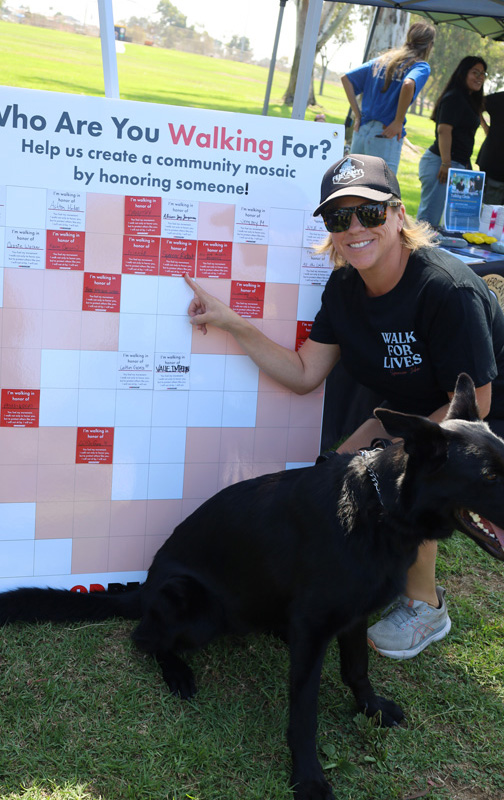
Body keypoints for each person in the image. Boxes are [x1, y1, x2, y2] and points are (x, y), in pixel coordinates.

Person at [184, 154, 504, 660]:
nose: (355, 228)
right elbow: (305, 373)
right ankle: (359, 573)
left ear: (399, 214)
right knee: (336, 473)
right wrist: (233, 323)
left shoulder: (446, 289)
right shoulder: (344, 287)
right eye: (339, 218)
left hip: (482, 415)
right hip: (415, 404)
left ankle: (426, 606)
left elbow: (475, 403)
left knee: (406, 481)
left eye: (370, 213)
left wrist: (401, 453)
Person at [341, 21, 435, 175]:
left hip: (362, 131)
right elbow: (408, 84)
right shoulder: (420, 66)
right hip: (385, 134)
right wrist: (398, 121)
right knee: (383, 191)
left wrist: (358, 115)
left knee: (354, 185)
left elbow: (346, 79)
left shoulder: (382, 61)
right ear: (429, 45)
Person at [417, 56, 487, 228]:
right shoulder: (454, 97)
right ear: (463, 73)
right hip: (442, 165)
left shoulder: (469, 99)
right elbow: (444, 130)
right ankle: (416, 255)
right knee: (428, 222)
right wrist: (446, 163)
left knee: (455, 225)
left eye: (483, 74)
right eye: (475, 72)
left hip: (458, 165)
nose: (479, 77)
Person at [477, 91, 504, 205]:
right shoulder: (499, 98)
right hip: (495, 164)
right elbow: (476, 105)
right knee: (488, 213)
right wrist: (485, 127)